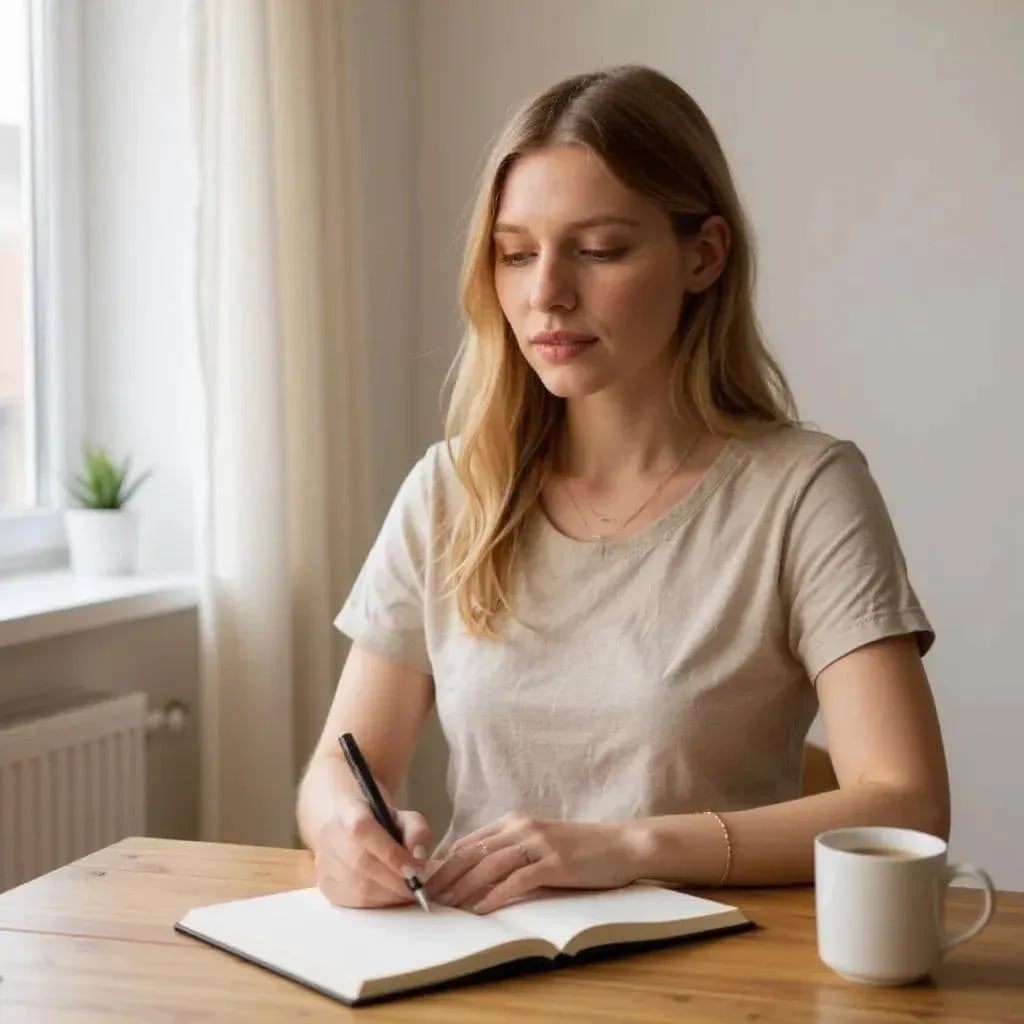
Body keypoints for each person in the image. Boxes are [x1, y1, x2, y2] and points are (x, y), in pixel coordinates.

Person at [296, 65, 950, 915]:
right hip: (476, 964)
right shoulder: (451, 491)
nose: (546, 294)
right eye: (516, 253)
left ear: (703, 255)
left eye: (599, 250)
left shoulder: (805, 493)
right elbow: (337, 768)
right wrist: (341, 829)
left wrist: (626, 847)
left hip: (713, 977)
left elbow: (905, 801)